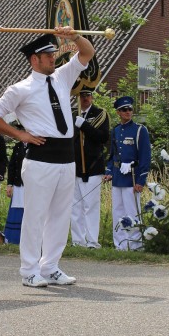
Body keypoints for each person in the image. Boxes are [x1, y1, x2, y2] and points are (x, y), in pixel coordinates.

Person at [0, 27, 95, 288]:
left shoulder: (62, 76)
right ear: (35, 59)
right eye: (48, 56)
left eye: (53, 54)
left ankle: (50, 266)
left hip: (66, 158)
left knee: (60, 216)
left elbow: (87, 52)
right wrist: (19, 135)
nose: (53, 58)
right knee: (35, 216)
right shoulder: (20, 89)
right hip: (40, 159)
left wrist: (73, 36)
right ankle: (29, 271)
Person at [104, 96, 151, 251]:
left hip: (132, 177)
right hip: (118, 177)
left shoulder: (140, 130)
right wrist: (109, 171)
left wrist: (141, 180)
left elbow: (145, 157)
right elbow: (112, 155)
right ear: (118, 112)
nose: (128, 112)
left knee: (132, 211)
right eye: (124, 110)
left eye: (130, 109)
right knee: (117, 211)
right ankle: (120, 245)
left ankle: (135, 244)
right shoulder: (116, 130)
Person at [70, 88, 110, 248]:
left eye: (88, 95)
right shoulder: (72, 114)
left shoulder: (100, 114)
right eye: (82, 95)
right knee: (75, 206)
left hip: (93, 167)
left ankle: (92, 241)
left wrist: (84, 125)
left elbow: (103, 137)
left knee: (90, 206)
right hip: (75, 167)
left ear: (92, 96)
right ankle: (77, 241)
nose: (85, 98)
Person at [4, 135, 27, 245]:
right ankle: (13, 238)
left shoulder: (36, 145)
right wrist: (9, 184)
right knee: (16, 210)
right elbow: (12, 166)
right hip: (18, 184)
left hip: (30, 185)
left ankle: (27, 239)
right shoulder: (17, 146)